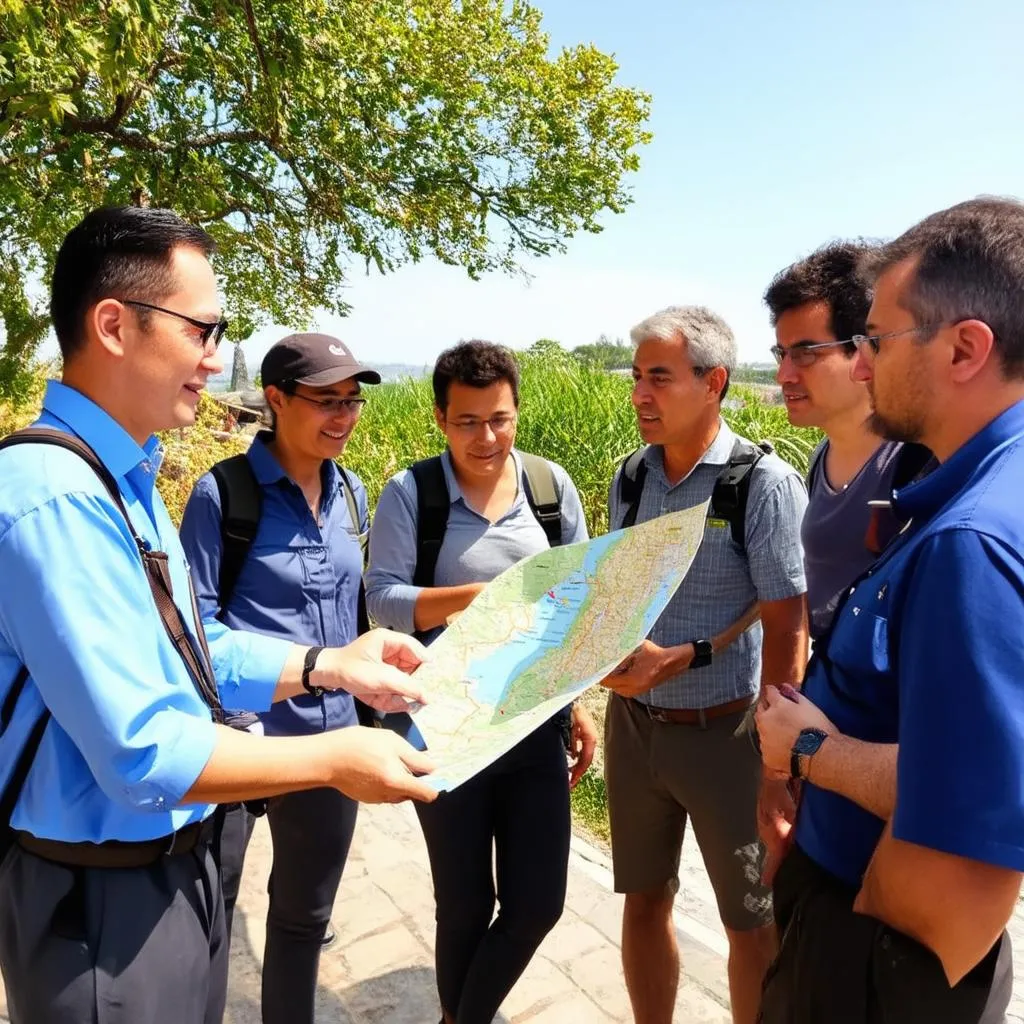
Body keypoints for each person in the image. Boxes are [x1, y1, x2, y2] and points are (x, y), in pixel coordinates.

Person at [0, 206, 436, 1024]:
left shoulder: (119, 477)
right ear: (114, 325)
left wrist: (326, 665)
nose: (211, 357)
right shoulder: (53, 498)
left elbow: (191, 648)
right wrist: (336, 756)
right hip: (103, 902)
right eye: (203, 329)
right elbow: (145, 750)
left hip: (168, 875)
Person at [755, 197, 1024, 1023]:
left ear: (964, 348)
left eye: (875, 338)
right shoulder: (975, 488)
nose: (862, 364)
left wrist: (809, 751)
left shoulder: (969, 539)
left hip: (879, 954)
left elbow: (973, 828)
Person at [365, 340, 598, 1024]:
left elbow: (575, 603)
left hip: (531, 723)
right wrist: (477, 598)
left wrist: (575, 705)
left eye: (499, 418)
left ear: (517, 413)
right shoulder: (414, 493)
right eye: (467, 421)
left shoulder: (551, 491)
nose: (485, 437)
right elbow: (380, 597)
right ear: (440, 418)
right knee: (464, 903)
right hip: (444, 725)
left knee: (537, 904)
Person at [600, 305, 809, 1024]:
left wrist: (778, 767)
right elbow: (618, 591)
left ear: (714, 381)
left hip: (729, 737)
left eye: (659, 378)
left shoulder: (763, 485)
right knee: (643, 899)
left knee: (749, 923)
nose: (639, 396)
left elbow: (789, 626)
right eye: (636, 378)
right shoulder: (632, 477)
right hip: (635, 730)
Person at [180, 332, 380, 1023]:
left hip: (329, 747)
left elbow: (359, 610)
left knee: (302, 920)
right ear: (275, 399)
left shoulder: (353, 494)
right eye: (326, 401)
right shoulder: (222, 495)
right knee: (209, 918)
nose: (344, 417)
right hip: (239, 743)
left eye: (352, 402)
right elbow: (194, 629)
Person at [764, 241, 932, 642]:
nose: (784, 375)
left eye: (806, 354)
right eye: (781, 353)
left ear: (864, 349)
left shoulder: (921, 465)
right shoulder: (821, 456)